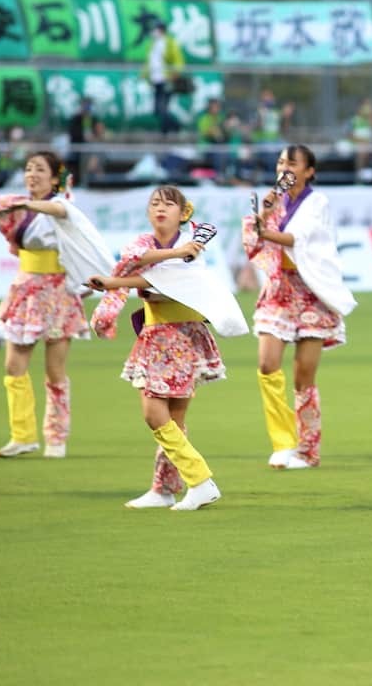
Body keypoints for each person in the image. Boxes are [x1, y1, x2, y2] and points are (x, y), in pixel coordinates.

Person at [0, 151, 114, 459]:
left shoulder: (61, 206)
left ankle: (56, 437)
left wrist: (25, 204)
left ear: (53, 177)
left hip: (58, 291)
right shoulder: (17, 204)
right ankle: (22, 435)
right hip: (26, 289)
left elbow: (57, 210)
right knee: (13, 365)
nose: (32, 174)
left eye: (40, 169)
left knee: (55, 370)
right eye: (29, 168)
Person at [88, 186, 248, 510]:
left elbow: (164, 280)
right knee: (169, 418)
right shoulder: (149, 245)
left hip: (185, 335)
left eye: (168, 204)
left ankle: (200, 481)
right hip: (156, 334)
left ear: (182, 212)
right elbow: (136, 261)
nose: (160, 208)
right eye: (154, 203)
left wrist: (115, 283)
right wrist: (176, 254)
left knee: (156, 413)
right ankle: (164, 489)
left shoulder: (194, 249)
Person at [243, 144, 357, 470]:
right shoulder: (271, 201)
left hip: (311, 292)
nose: (284, 168)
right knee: (267, 363)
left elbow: (299, 237)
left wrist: (267, 230)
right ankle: (282, 442)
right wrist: (263, 214)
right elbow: (253, 241)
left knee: (303, 375)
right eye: (280, 162)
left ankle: (308, 450)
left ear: (309, 171)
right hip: (280, 289)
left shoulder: (317, 202)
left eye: (292, 163)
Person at [142, 21, 184, 136]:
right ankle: (173, 128)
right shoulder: (153, 44)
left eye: (155, 29)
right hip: (156, 80)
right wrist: (144, 75)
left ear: (161, 30)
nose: (153, 32)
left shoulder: (170, 43)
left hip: (166, 79)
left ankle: (169, 130)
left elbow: (178, 61)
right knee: (158, 109)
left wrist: (175, 74)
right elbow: (150, 62)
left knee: (163, 107)